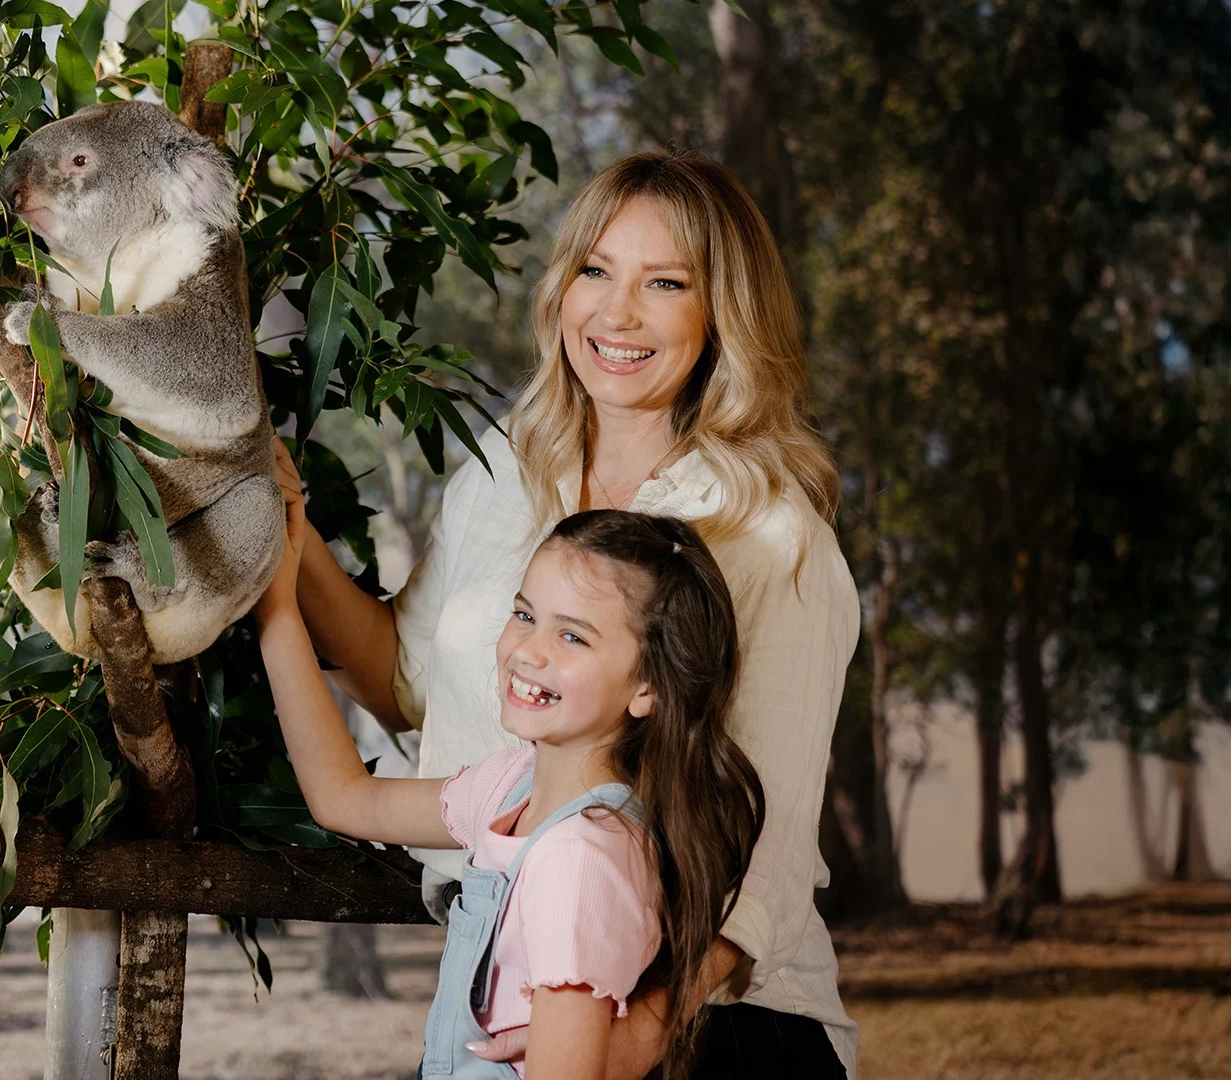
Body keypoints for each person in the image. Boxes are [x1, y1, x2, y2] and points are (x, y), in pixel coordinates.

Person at [275, 147, 860, 1077]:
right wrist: (289, 539)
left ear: (723, 316)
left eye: (664, 282)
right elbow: (404, 686)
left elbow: (770, 855)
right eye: (596, 270)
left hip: (706, 1027)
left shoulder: (771, 533)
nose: (617, 313)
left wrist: (639, 1035)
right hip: (513, 991)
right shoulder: (504, 473)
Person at [257, 508, 764, 1079]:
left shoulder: (577, 859)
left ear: (649, 687)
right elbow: (344, 798)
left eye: (573, 635)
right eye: (525, 614)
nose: (529, 650)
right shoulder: (510, 788)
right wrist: (275, 598)